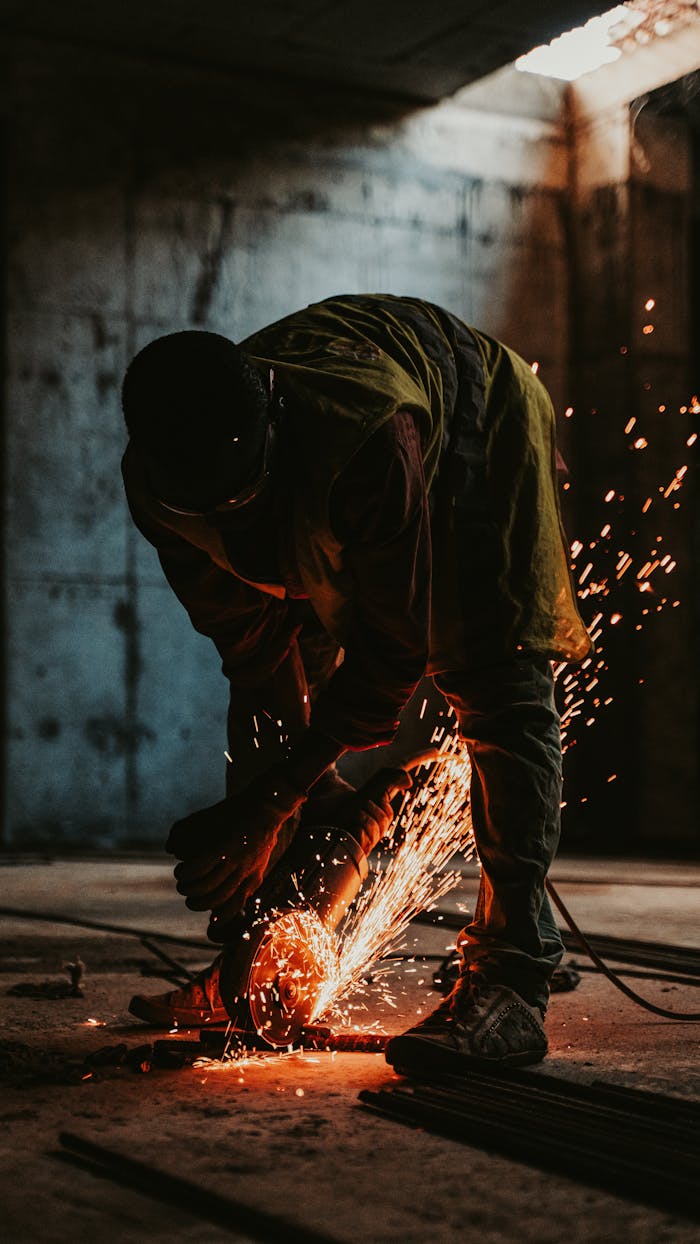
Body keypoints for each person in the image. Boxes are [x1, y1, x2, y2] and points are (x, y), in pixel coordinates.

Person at [121, 293, 590, 1070]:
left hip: (470, 426)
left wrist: (274, 800)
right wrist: (282, 812)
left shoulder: (364, 439)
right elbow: (257, 658)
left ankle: (510, 980)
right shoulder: (159, 486)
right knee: (273, 718)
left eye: (244, 504)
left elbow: (393, 658)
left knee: (494, 682)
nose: (233, 534)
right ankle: (277, 944)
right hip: (325, 482)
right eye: (211, 515)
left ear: (271, 425)